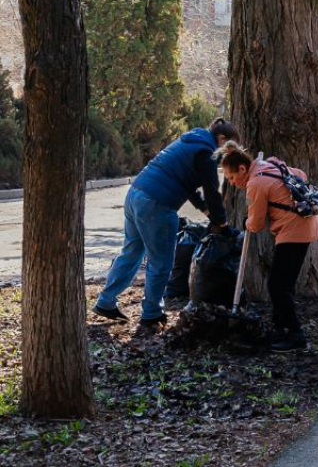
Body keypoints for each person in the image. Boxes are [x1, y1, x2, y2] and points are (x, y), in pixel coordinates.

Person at [93, 118, 239, 328]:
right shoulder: (207, 152)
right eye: (228, 150)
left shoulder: (191, 140)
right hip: (157, 204)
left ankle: (105, 302)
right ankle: (152, 313)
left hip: (136, 194)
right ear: (222, 139)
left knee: (131, 252)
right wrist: (223, 224)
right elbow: (212, 192)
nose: (226, 156)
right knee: (161, 262)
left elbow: (187, 184)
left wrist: (205, 210)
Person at [219, 141, 318, 352]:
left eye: (232, 177)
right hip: (304, 225)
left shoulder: (255, 183)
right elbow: (301, 175)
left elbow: (256, 224)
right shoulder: (269, 165)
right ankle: (281, 328)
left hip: (294, 230)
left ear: (242, 169)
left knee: (277, 286)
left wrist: (246, 223)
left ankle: (296, 336)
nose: (232, 183)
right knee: (282, 284)